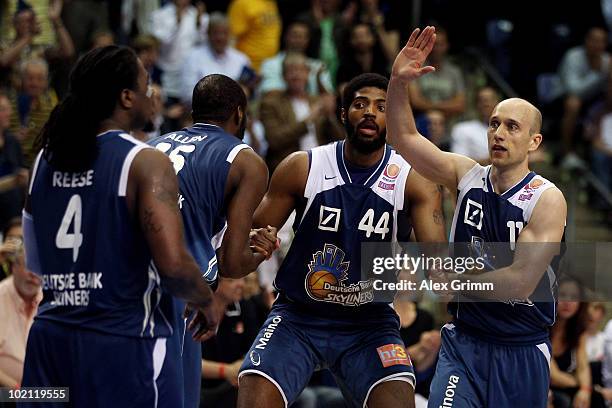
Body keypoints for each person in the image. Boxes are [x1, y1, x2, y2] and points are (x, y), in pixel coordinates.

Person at [20, 45, 220, 407]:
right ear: (127, 98)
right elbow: (174, 266)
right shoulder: (145, 162)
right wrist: (206, 299)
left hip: (49, 343)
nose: (152, 95)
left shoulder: (43, 161)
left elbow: (35, 262)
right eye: (147, 85)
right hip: (122, 344)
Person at [238, 72, 447, 408]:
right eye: (360, 104)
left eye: (381, 107)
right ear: (343, 114)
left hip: (370, 321)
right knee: (253, 394)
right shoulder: (302, 166)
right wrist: (253, 242)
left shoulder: (413, 182)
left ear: (391, 120)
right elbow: (249, 239)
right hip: (299, 315)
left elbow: (438, 265)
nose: (369, 112)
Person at [386, 26, 567, 407]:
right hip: (464, 341)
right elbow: (403, 138)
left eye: (512, 127)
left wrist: (456, 282)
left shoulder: (547, 199)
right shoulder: (466, 174)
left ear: (534, 142)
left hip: (520, 347)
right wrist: (398, 82)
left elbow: (519, 282)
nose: (499, 132)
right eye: (494, 123)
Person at [148, 73, 277, 408]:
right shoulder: (245, 160)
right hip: (178, 294)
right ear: (238, 113)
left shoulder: (151, 145)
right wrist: (260, 252)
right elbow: (233, 264)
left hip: (127, 286)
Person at [550, 278, 605, 408]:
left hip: (567, 383)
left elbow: (583, 366)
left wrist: (585, 390)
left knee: (594, 397)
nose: (568, 302)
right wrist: (580, 384)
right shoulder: (543, 327)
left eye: (574, 297)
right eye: (562, 295)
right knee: (564, 401)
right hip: (544, 386)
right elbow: (554, 376)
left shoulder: (578, 330)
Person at [0, 218, 40, 389]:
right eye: (28, 265)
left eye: (38, 266)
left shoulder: (54, 300)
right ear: (12, 264)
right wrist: (20, 394)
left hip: (48, 394)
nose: (33, 274)